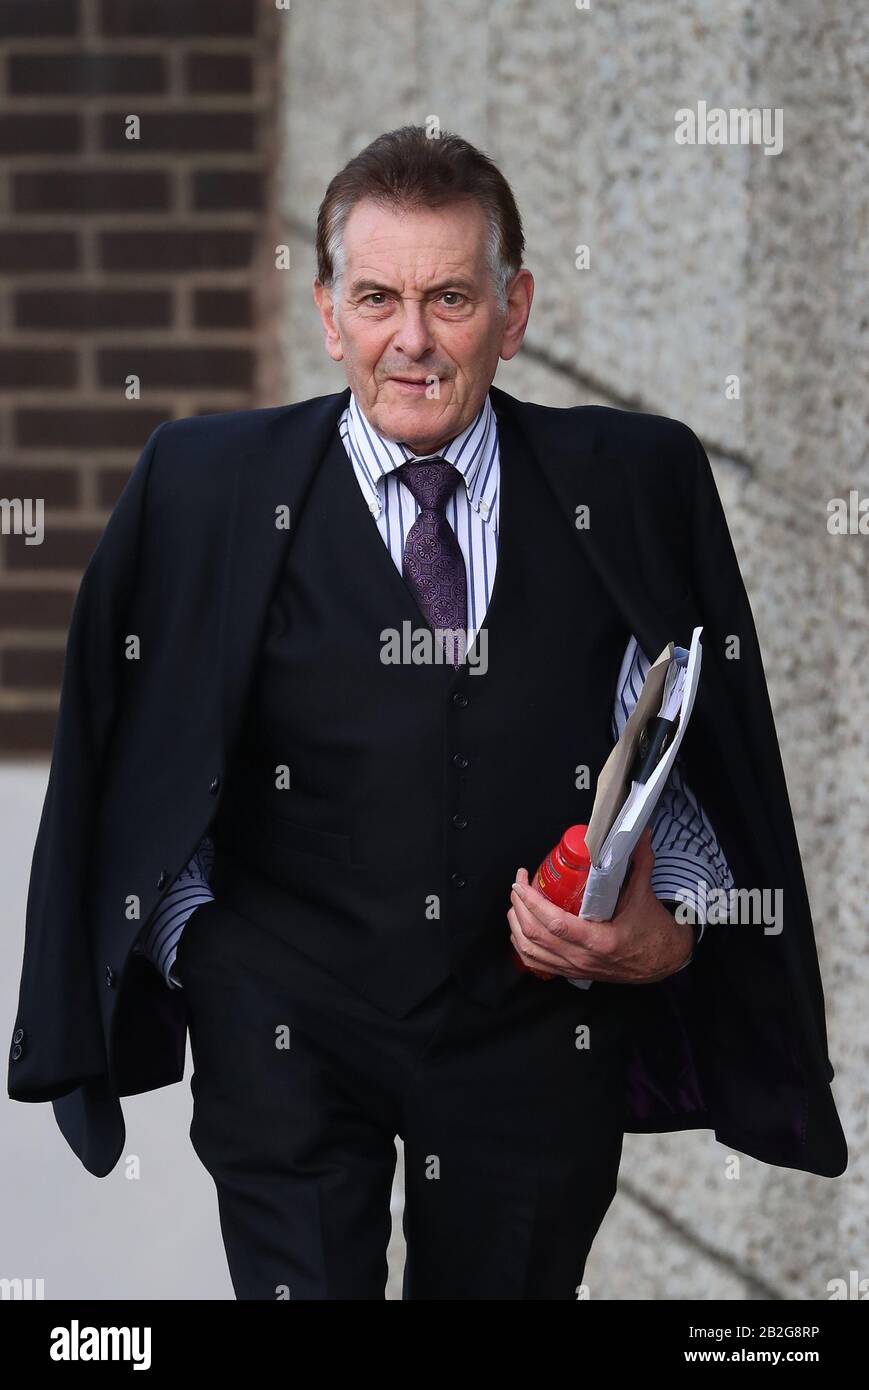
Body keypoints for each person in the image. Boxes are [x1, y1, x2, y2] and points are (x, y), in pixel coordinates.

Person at [8, 126, 846, 1300]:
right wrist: (211, 959)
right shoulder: (207, 487)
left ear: (513, 310)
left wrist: (668, 933)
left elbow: (689, 763)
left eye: (450, 297)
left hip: (533, 1032)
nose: (412, 338)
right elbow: (136, 760)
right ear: (327, 313)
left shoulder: (630, 482)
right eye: (378, 296)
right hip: (286, 1033)